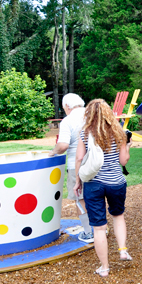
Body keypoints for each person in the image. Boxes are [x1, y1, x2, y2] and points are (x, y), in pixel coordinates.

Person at [74, 99, 133, 277]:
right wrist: (128, 147)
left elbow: (78, 159)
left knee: (99, 227)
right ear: (109, 113)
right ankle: (122, 250)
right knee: (118, 216)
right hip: (116, 182)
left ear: (89, 114)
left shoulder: (85, 133)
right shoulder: (119, 133)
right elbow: (123, 161)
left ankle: (105, 267)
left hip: (93, 184)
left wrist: (78, 181)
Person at [48, 93, 94, 243]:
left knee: (80, 198)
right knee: (96, 195)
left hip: (77, 164)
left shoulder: (68, 121)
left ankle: (89, 232)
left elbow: (63, 145)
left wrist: (53, 152)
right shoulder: (92, 115)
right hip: (96, 162)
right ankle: (100, 227)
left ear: (67, 106)